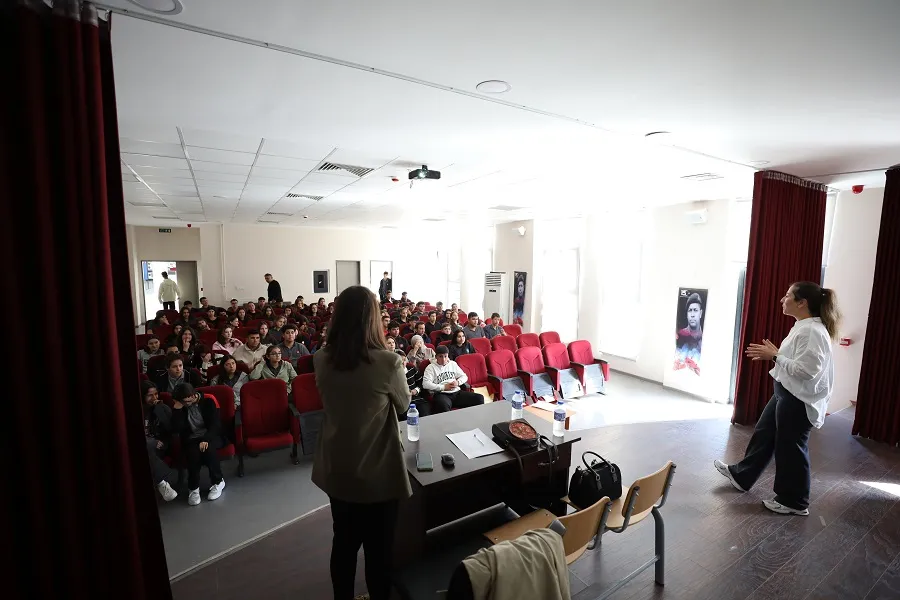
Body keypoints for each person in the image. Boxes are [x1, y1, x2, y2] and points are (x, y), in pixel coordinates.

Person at [311, 285, 410, 600]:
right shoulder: (388, 362)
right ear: (372, 319)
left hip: (338, 467)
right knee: (378, 551)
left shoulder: (321, 359)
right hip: (378, 471)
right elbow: (404, 405)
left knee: (343, 543)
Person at [715, 282, 842, 516]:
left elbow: (807, 371)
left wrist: (775, 356)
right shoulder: (802, 326)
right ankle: (742, 475)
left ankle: (794, 501)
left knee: (791, 448)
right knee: (764, 433)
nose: (782, 300)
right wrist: (778, 355)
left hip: (798, 399)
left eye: (787, 296)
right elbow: (798, 362)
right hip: (786, 392)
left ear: (802, 303)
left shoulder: (812, 331)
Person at [171, 383, 226, 506]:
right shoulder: (181, 405)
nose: (185, 404)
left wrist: (206, 439)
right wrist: (177, 410)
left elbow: (216, 424)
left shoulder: (208, 399)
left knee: (208, 450)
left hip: (210, 435)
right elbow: (176, 429)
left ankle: (218, 481)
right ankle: (194, 488)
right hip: (191, 438)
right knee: (193, 454)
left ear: (192, 396)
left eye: (185, 401)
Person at [141, 381, 177, 501]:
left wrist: (160, 410)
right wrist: (151, 442)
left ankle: (161, 484)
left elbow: (170, 430)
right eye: (150, 395)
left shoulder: (163, 408)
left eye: (156, 394)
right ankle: (162, 483)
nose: (154, 398)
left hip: (160, 446)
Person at [423, 345, 484, 413]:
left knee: (479, 398)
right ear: (436, 356)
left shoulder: (452, 364)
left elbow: (464, 376)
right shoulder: (431, 367)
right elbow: (425, 384)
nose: (443, 359)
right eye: (440, 356)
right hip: (442, 394)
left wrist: (457, 382)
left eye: (445, 356)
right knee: (443, 405)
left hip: (456, 392)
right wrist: (443, 387)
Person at [675, 292, 704, 374]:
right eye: (690, 310)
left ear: (700, 313)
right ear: (687, 314)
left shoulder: (704, 337)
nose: (692, 315)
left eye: (695, 310)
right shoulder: (680, 334)